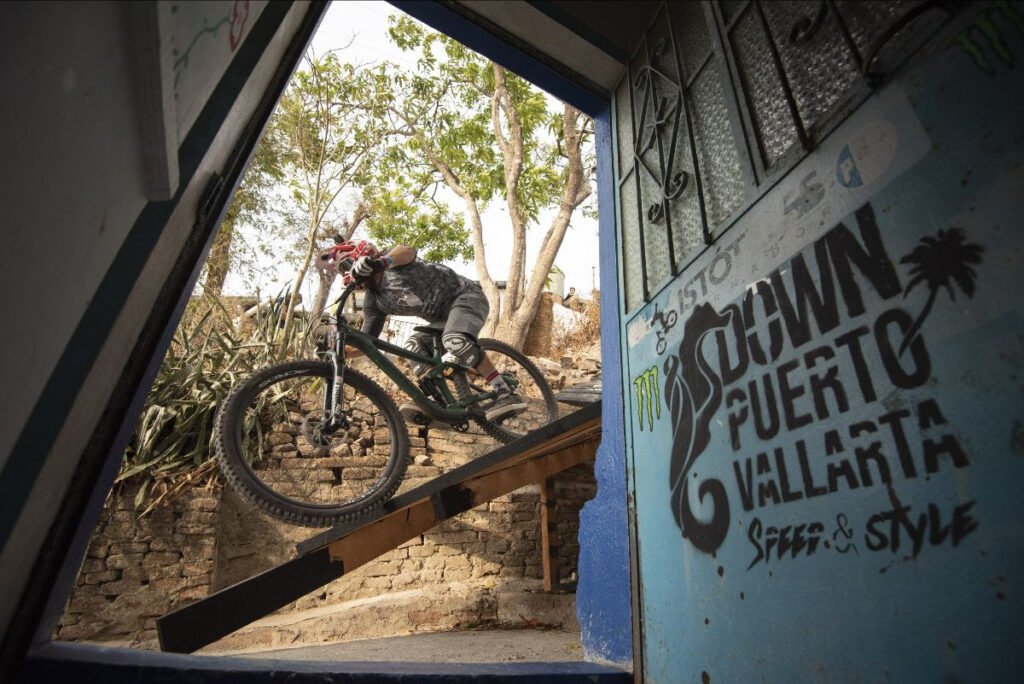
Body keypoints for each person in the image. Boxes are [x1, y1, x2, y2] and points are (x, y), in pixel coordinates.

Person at [319, 240, 527, 423]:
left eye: (346, 266)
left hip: (466, 297)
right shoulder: (374, 301)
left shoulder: (391, 259)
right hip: (439, 321)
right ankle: (438, 406)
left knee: (454, 339)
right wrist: (342, 351)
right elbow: (367, 341)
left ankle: (504, 392)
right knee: (412, 346)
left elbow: (407, 251)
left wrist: (382, 262)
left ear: (363, 256)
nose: (347, 274)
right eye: (342, 272)